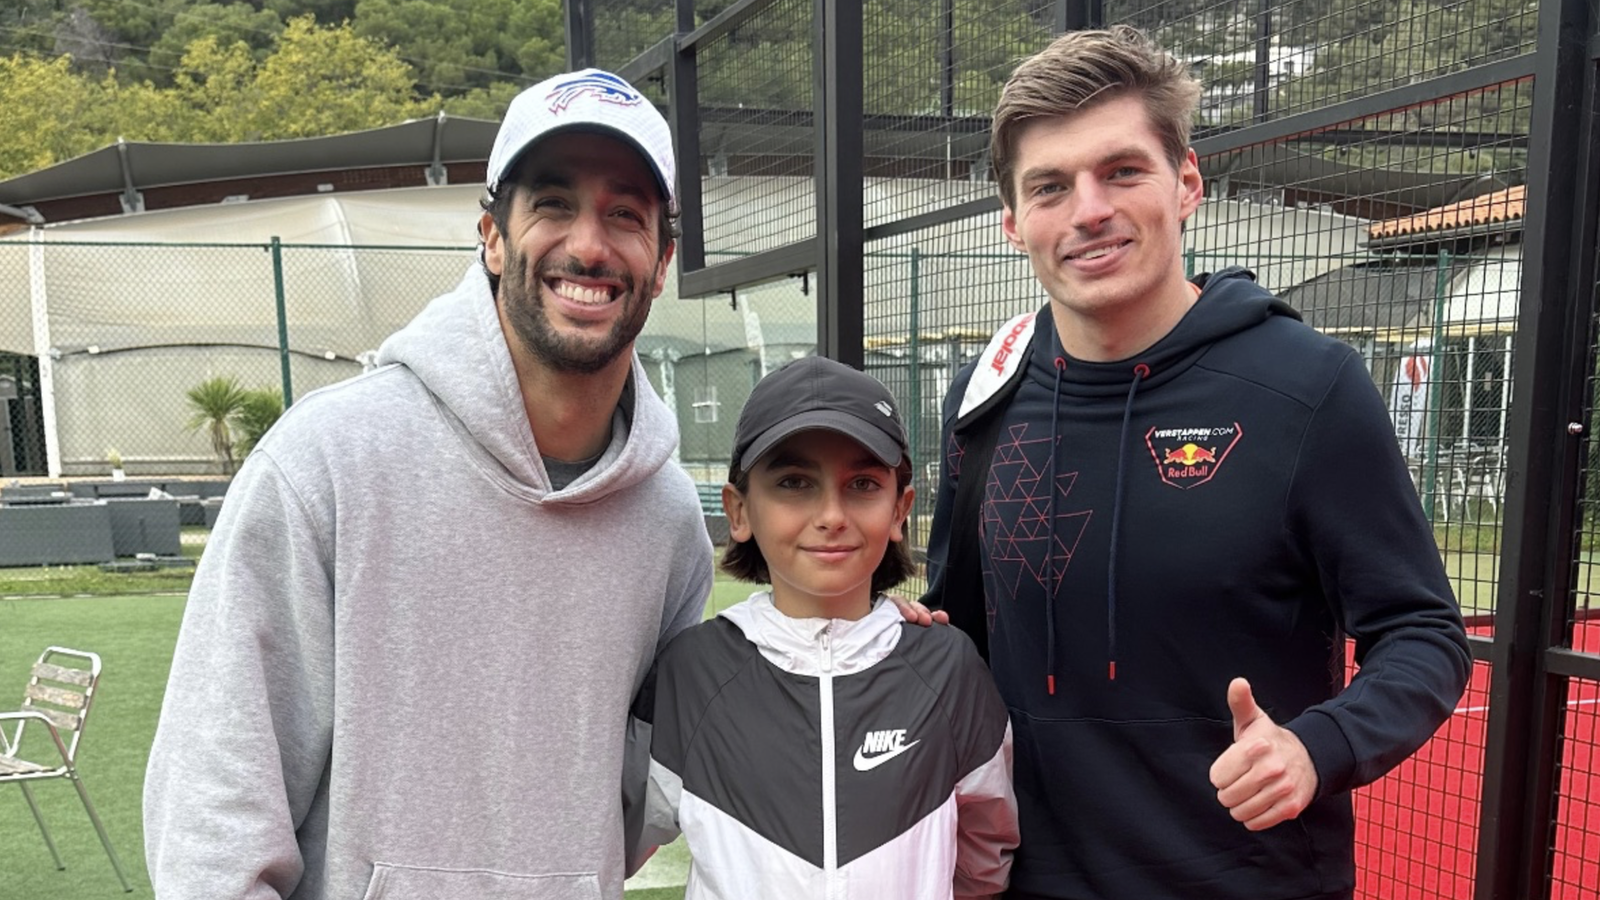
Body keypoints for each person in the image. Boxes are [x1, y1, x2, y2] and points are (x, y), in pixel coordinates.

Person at [920, 25, 1471, 900]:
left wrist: (1316, 746)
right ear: (1015, 223)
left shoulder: (1308, 387)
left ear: (1186, 183)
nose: (1088, 210)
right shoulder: (984, 395)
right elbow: (959, 637)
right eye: (1051, 186)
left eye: (1121, 171)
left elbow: (1424, 634)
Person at [143, 68, 716, 899]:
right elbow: (212, 813)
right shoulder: (326, 460)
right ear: (492, 237)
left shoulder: (668, 522)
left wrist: (864, 632)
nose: (589, 245)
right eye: (553, 204)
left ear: (661, 262)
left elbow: (639, 794)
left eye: (625, 214)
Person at [637, 356, 1019, 899]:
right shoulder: (691, 673)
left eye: (862, 483)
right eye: (794, 482)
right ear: (738, 511)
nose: (832, 515)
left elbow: (984, 856)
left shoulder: (949, 669)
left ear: (900, 510)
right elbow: (620, 835)